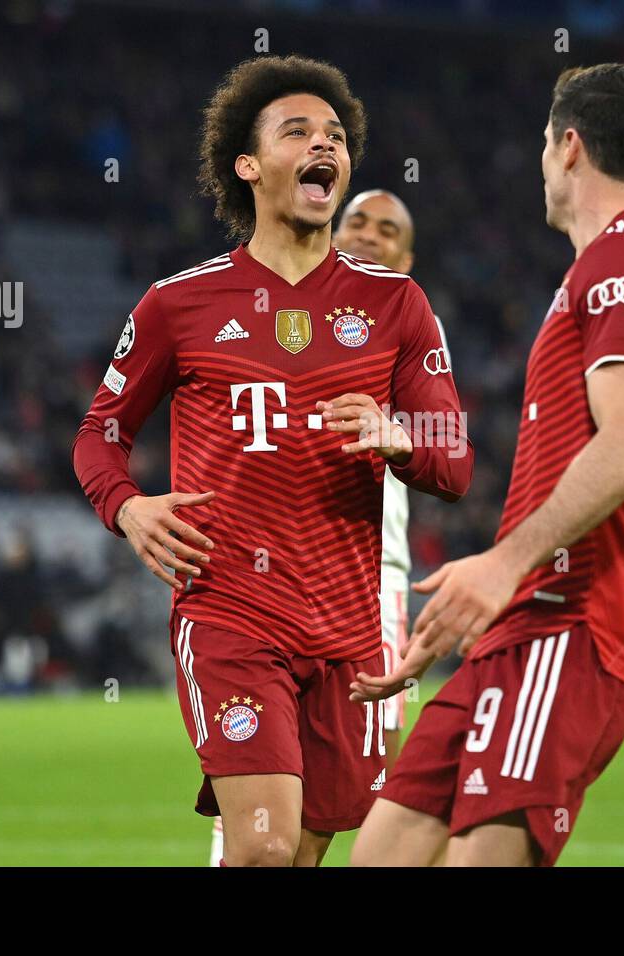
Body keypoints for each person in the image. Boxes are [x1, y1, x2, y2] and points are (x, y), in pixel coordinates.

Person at [72, 55, 471, 867]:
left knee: (299, 854)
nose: (323, 144)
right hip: (232, 615)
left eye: (335, 135)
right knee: (262, 848)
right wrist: (128, 506)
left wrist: (403, 435)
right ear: (248, 165)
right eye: (298, 131)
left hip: (348, 634)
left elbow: (455, 461)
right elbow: (99, 434)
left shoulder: (398, 305)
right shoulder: (176, 304)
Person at [350, 63, 624, 866]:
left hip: (573, 624)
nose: (542, 163)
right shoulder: (606, 268)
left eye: (545, 145)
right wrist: (472, 608)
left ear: (569, 146)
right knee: (384, 853)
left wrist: (502, 566)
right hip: (520, 627)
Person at [207, 187, 438, 867]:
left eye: (388, 229)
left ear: (408, 255)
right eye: (358, 220)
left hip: (368, 589)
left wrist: (398, 436)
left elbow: (445, 446)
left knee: (335, 810)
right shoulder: (284, 307)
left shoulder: (407, 321)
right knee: (265, 815)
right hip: (262, 583)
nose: (369, 234)